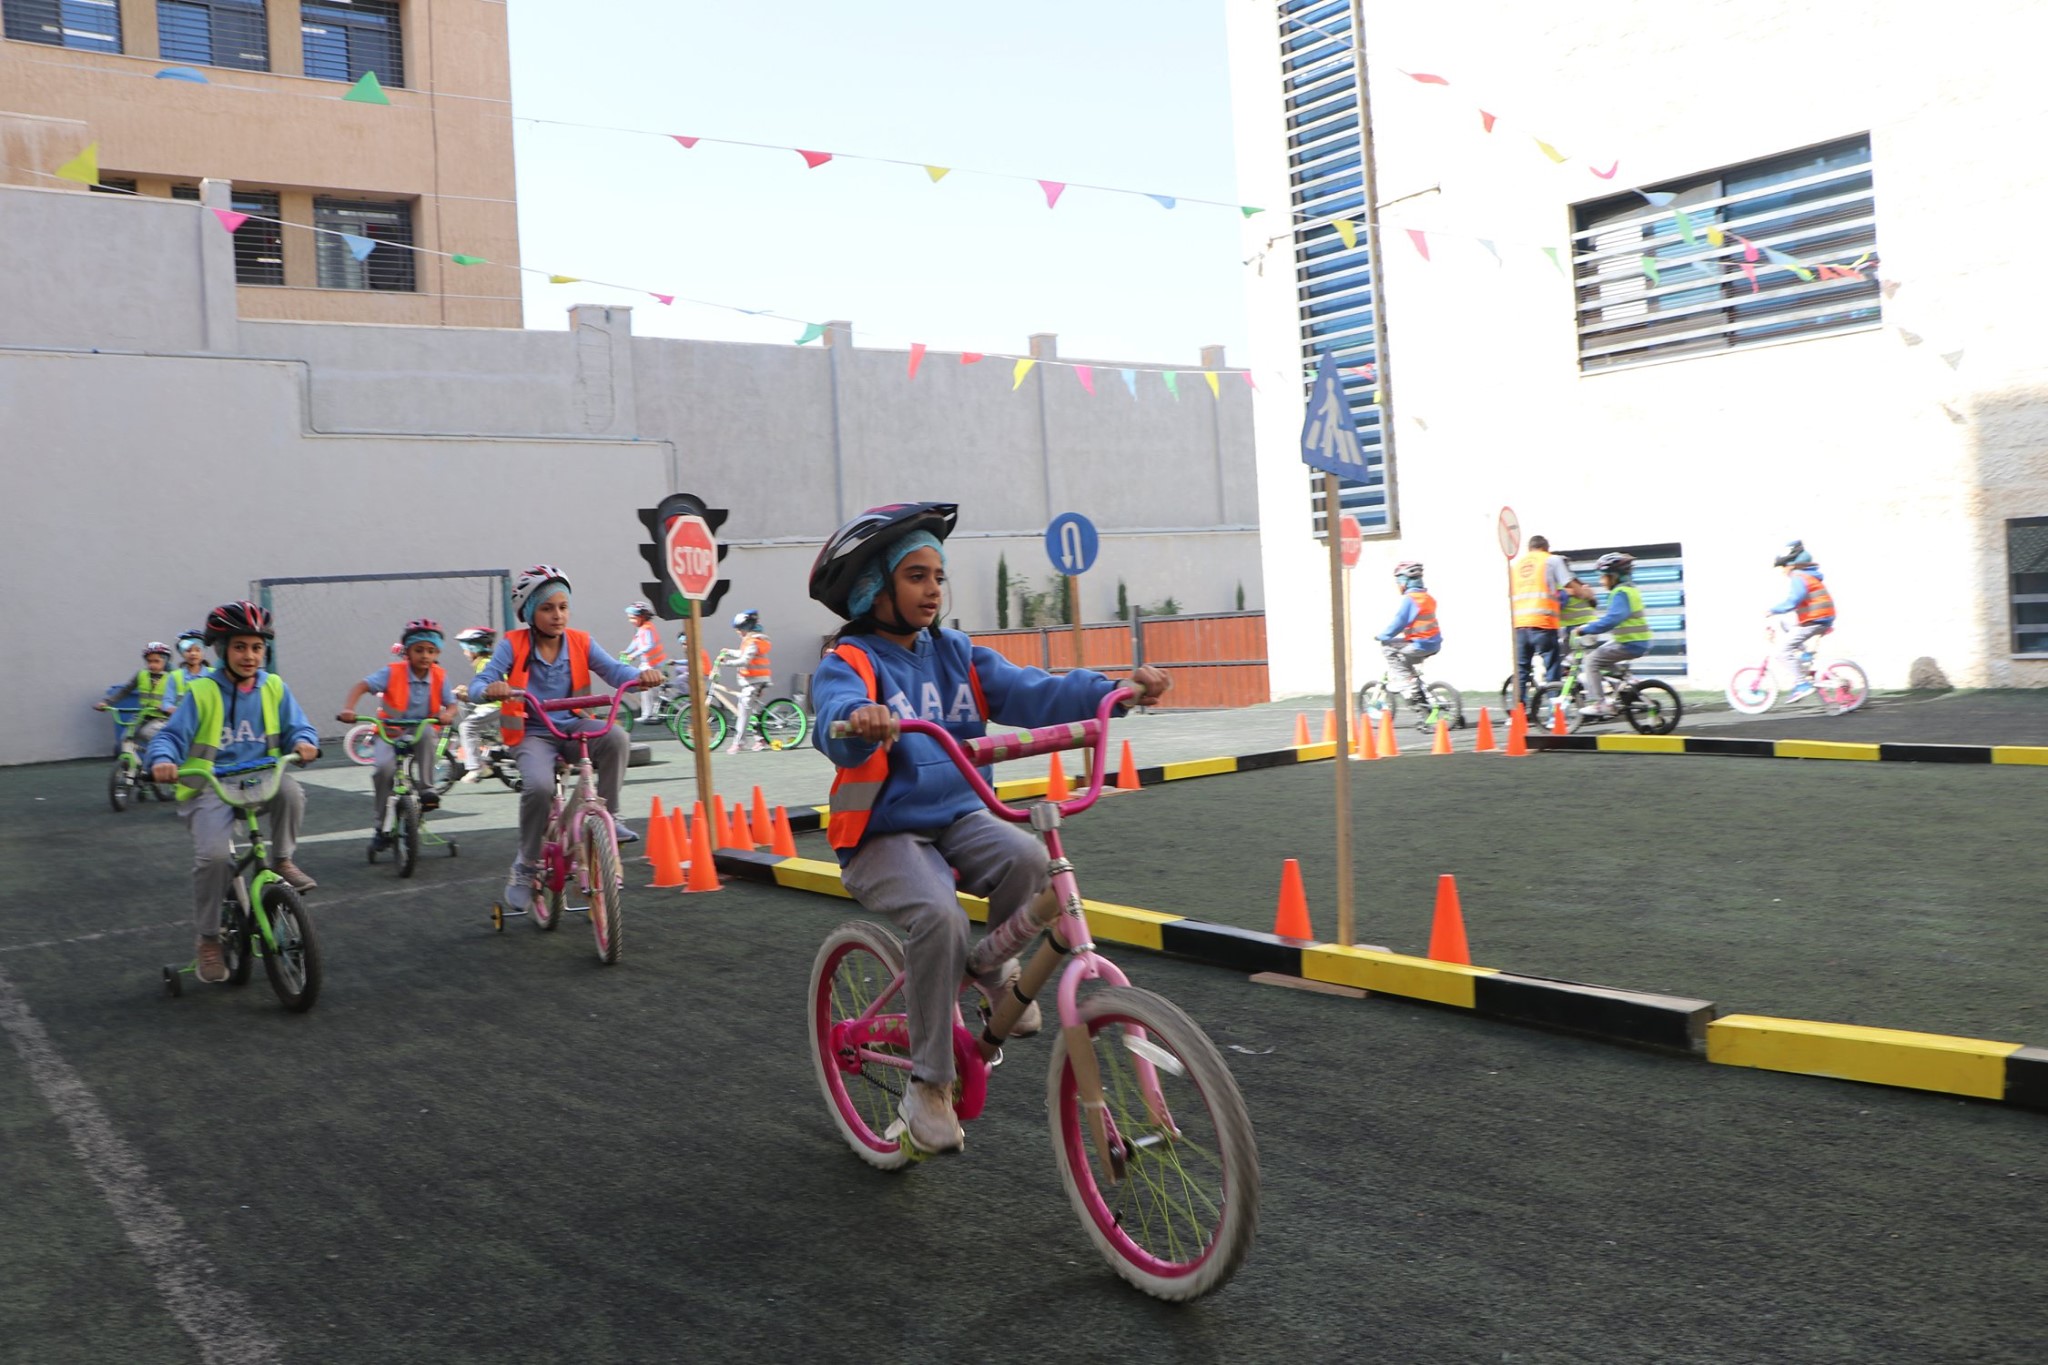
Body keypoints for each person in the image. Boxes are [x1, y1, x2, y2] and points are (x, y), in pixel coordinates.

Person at [811, 503, 1170, 1153]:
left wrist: (1114, 689)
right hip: (881, 832)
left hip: (958, 815)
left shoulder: (957, 654)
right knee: (939, 916)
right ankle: (928, 1086)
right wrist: (858, 717)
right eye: (915, 576)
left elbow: (1034, 691)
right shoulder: (853, 659)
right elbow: (832, 712)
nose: (933, 590)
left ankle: (993, 971)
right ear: (873, 589)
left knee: (1030, 861)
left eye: (938, 576)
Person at [145, 602, 320, 984]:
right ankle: (209, 938)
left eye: (257, 648)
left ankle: (282, 860)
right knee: (213, 858)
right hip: (209, 786)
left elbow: (298, 726)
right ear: (223, 650)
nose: (249, 656)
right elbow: (170, 737)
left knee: (291, 791)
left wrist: (304, 742)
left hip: (260, 778)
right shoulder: (202, 691)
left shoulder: (274, 687)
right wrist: (162, 760)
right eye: (240, 647)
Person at [475, 565, 664, 914]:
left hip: (573, 725)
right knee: (539, 787)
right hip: (533, 733)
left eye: (563, 607)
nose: (558, 615)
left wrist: (641, 676)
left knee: (616, 737)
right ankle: (526, 864)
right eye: (547, 608)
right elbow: (481, 681)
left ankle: (610, 815)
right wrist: (490, 688)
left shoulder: (580, 641)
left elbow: (614, 670)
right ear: (529, 612)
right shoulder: (512, 645)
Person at [337, 619, 460, 852]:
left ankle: (427, 789)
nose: (425, 655)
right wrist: (349, 709)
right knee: (383, 771)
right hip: (390, 731)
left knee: (427, 731)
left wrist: (448, 714)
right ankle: (380, 827)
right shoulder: (392, 672)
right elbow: (362, 686)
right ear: (407, 652)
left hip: (420, 729)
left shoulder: (440, 676)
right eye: (419, 650)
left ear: (437, 653)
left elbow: (451, 704)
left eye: (431, 651)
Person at [1508, 535, 1595, 704]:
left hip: (1520, 625)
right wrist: (1586, 594)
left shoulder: (1516, 565)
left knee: (1521, 671)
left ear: (1529, 549)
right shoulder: (1551, 560)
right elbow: (1569, 584)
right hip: (1543, 623)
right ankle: (1554, 712)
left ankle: (1518, 712)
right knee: (1552, 669)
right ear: (1546, 548)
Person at [1574, 553, 1654, 720]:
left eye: (1603, 576)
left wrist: (1586, 629)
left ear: (1614, 576)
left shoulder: (1620, 592)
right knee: (1600, 656)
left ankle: (1600, 703)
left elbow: (1612, 619)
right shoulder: (1630, 590)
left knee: (1591, 661)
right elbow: (1613, 618)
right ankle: (1626, 681)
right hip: (1634, 640)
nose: (1601, 581)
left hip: (1630, 643)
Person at [1766, 539, 1837, 702]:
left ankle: (1802, 684)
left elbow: (1793, 601)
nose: (1783, 571)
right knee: (1785, 623)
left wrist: (1773, 610)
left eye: (1783, 566)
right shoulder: (1807, 575)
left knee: (1782, 652)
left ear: (1792, 565)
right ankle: (1805, 654)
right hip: (1820, 618)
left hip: (1817, 620)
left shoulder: (1798, 576)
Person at [1374, 562, 1442, 729]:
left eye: (1398, 581)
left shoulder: (1410, 600)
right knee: (1404, 656)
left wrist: (1384, 635)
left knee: (1387, 646)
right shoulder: (1427, 598)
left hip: (1419, 645)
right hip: (1433, 643)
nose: (1398, 585)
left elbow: (1400, 621)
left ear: (1404, 581)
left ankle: (1404, 681)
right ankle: (1417, 691)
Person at [96, 642, 183, 752]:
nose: (152, 665)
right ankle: (132, 761)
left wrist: (168, 706)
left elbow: (182, 696)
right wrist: (107, 702)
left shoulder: (174, 676)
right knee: (125, 739)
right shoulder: (142, 674)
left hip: (163, 717)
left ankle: (167, 754)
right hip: (142, 715)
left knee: (149, 735)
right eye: (149, 661)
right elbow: (125, 690)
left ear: (166, 661)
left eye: (156, 661)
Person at [451, 626, 501, 782]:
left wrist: (465, 694)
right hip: (494, 704)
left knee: (466, 728)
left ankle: (476, 767)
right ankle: (484, 746)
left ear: (474, 648)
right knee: (465, 707)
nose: (464, 653)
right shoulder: (486, 663)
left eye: (465, 649)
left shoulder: (485, 664)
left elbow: (488, 692)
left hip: (496, 706)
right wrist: (466, 692)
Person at [722, 609, 774, 753]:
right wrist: (729, 652)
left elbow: (744, 660)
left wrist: (726, 663)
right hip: (754, 681)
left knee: (744, 710)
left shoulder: (753, 642)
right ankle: (760, 740)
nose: (737, 632)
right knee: (753, 711)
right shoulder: (752, 641)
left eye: (739, 629)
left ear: (746, 628)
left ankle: (738, 743)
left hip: (755, 681)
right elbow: (743, 654)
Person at [619, 600, 668, 723]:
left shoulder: (647, 628)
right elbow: (635, 642)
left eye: (633, 618)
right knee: (648, 689)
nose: (631, 621)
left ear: (642, 617)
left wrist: (633, 655)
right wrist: (627, 651)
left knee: (646, 689)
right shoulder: (642, 628)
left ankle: (649, 714)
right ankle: (650, 712)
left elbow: (649, 645)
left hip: (653, 664)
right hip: (648, 663)